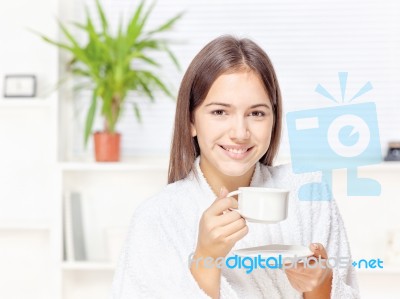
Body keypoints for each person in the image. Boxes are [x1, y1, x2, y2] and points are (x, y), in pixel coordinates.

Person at [111, 35, 360, 299]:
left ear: (274, 119)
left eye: (256, 113)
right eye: (220, 112)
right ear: (191, 121)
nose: (240, 133)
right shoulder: (158, 217)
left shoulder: (308, 194)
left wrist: (320, 284)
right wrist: (205, 259)